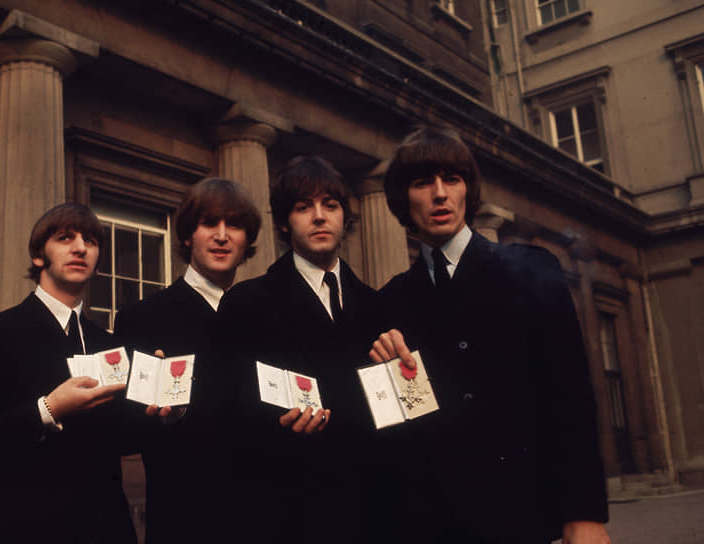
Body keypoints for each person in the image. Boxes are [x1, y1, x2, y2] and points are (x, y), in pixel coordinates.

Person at [369, 126, 610, 543]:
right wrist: (386, 379)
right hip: (431, 522)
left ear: (468, 191)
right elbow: (398, 428)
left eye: (452, 179)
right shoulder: (391, 301)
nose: (439, 194)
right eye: (423, 182)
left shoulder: (530, 268)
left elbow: (570, 400)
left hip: (520, 516)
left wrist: (584, 513)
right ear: (402, 200)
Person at [0, 203, 137, 544]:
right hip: (31, 530)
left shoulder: (109, 344)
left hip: (110, 530)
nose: (79, 247)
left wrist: (160, 409)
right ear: (39, 256)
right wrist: (47, 410)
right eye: (64, 237)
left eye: (90, 240)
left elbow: (120, 442)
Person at [217, 155, 378, 543]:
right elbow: (229, 416)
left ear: (345, 219)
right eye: (304, 207)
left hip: (372, 511)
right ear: (285, 223)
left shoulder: (379, 305)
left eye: (331, 205)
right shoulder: (247, 303)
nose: (319, 217)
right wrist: (277, 425)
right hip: (289, 511)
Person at [113, 177, 261, 543]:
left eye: (234, 225)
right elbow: (122, 431)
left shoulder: (266, 316)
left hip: (263, 519)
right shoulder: (142, 317)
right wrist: (163, 417)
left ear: (247, 241)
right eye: (210, 223)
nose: (222, 235)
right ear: (186, 236)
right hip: (182, 519)